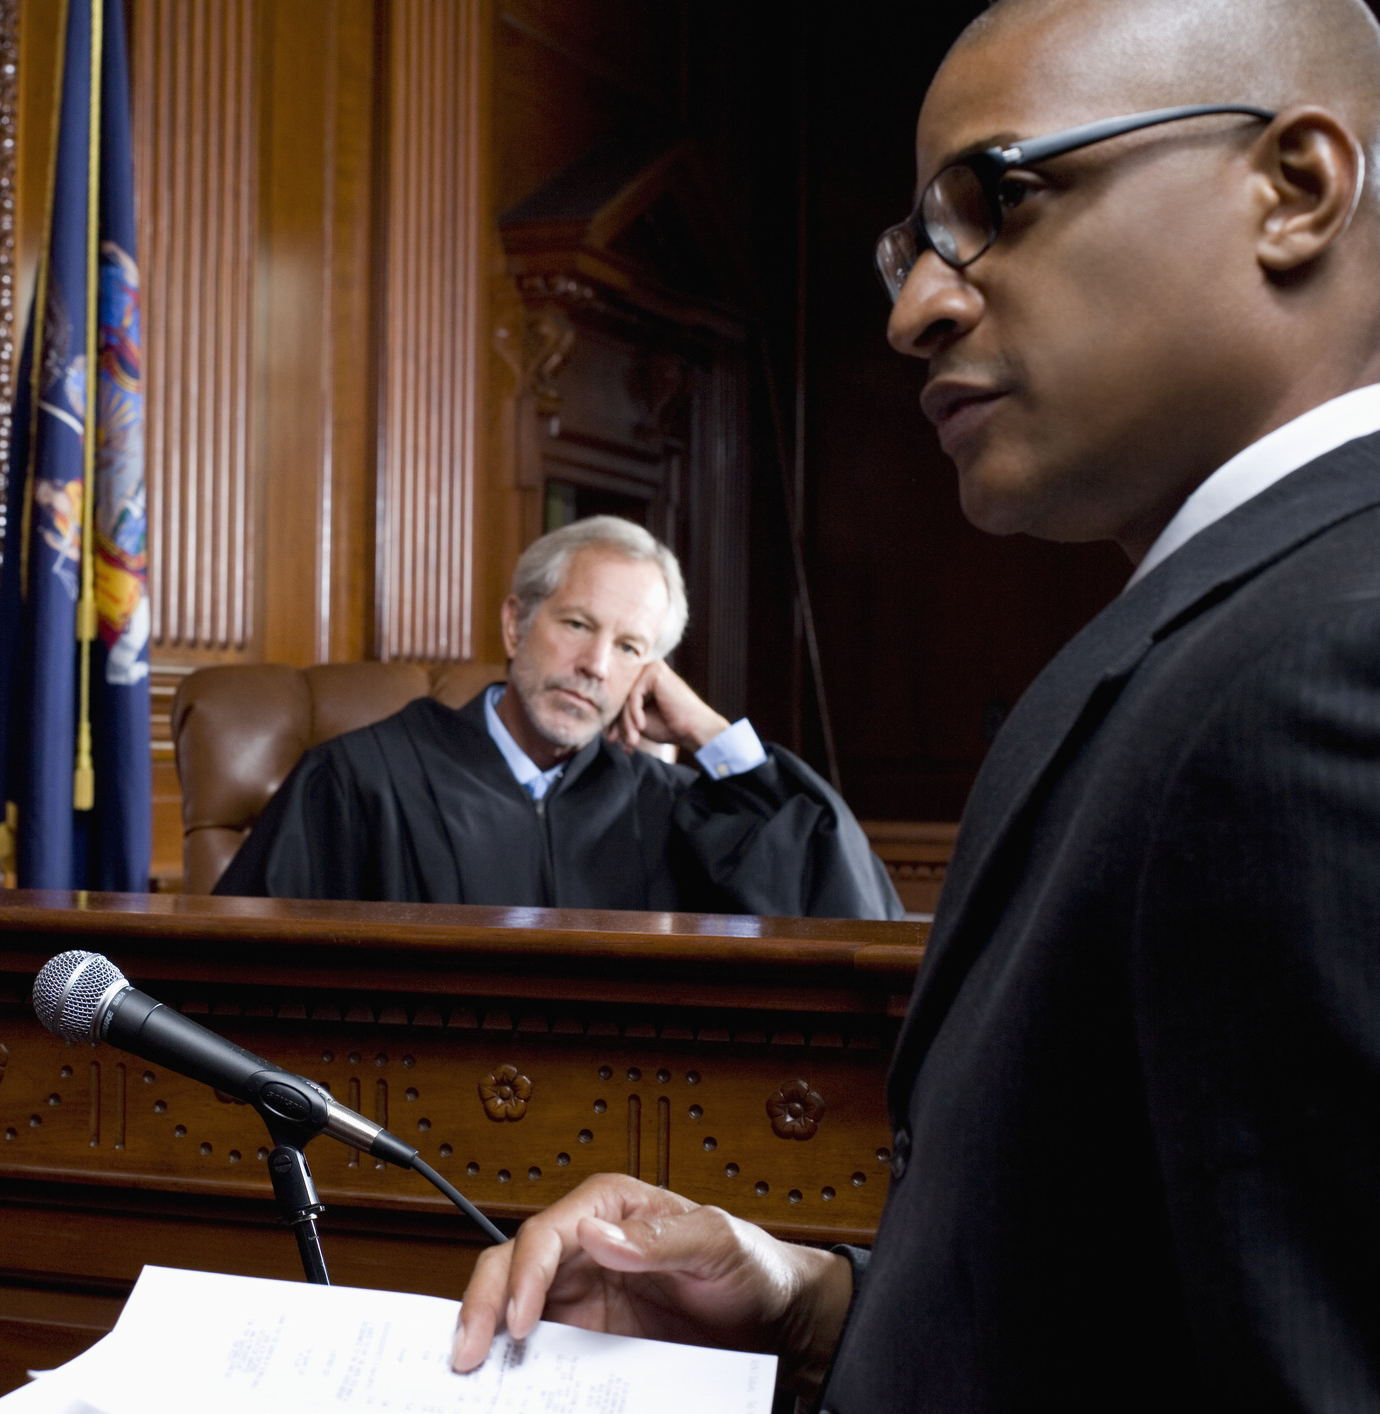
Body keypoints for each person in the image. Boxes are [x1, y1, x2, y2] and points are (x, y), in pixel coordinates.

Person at [449, 0, 1380, 1407]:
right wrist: (816, 1308)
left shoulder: (1329, 670)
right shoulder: (1221, 635)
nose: (916, 308)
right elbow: (1140, 1314)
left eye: (1000, 200)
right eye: (915, 244)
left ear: (1293, 188)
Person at [212, 516, 900, 918]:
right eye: (576, 624)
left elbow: (852, 914)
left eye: (629, 647)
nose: (595, 664)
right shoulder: (362, 781)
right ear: (516, 623)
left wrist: (709, 736)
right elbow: (242, 980)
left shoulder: (664, 810)